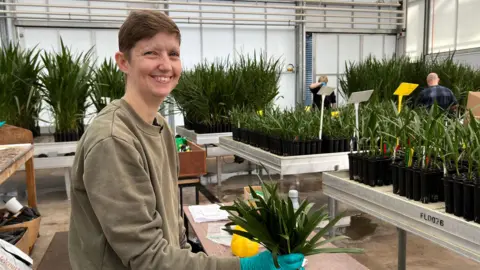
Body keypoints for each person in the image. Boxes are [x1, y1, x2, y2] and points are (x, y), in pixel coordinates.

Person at [68, 10, 305, 270]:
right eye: (150, 53)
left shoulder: (161, 127)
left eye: (173, 54)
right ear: (123, 62)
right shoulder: (113, 141)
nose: (165, 65)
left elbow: (173, 227)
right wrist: (244, 267)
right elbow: (148, 258)